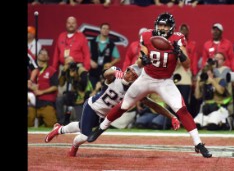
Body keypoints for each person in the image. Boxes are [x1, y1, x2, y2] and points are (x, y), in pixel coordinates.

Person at [87, 12, 212, 158]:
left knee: (182, 110)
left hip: (165, 81)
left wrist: (180, 54)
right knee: (124, 105)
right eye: (160, 25)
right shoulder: (147, 35)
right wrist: (143, 60)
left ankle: (198, 143)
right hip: (146, 77)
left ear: (171, 27)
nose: (163, 28)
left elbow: (187, 65)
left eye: (166, 25)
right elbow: (140, 59)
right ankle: (100, 128)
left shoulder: (177, 38)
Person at [45, 64, 180, 157]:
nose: (129, 75)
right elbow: (105, 73)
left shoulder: (135, 91)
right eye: (128, 71)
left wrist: (172, 116)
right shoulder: (116, 75)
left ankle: (59, 129)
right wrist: (114, 72)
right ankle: (73, 148)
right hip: (93, 106)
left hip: (104, 116)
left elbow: (154, 105)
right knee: (85, 135)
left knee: (81, 126)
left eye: (133, 75)